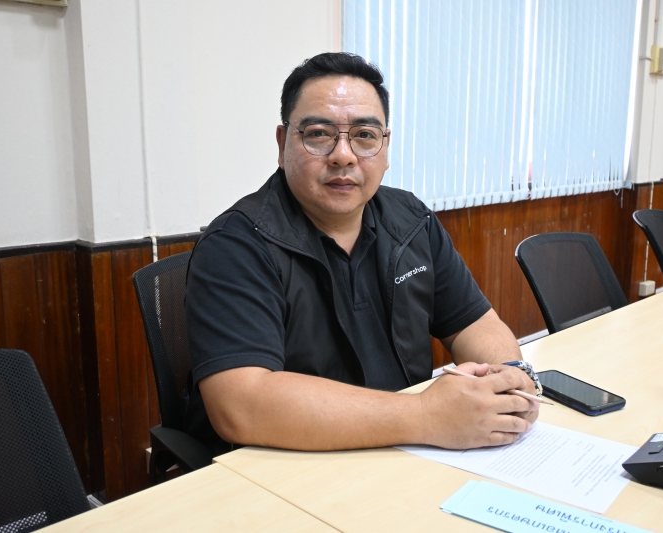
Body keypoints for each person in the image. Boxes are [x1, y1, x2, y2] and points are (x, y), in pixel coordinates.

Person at [185, 52, 540, 456]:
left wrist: (509, 380)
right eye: (319, 134)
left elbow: (474, 323)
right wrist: (427, 415)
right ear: (283, 144)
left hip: (407, 448)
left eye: (365, 135)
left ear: (385, 148)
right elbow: (242, 405)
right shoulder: (236, 245)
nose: (343, 155)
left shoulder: (411, 220)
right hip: (291, 463)